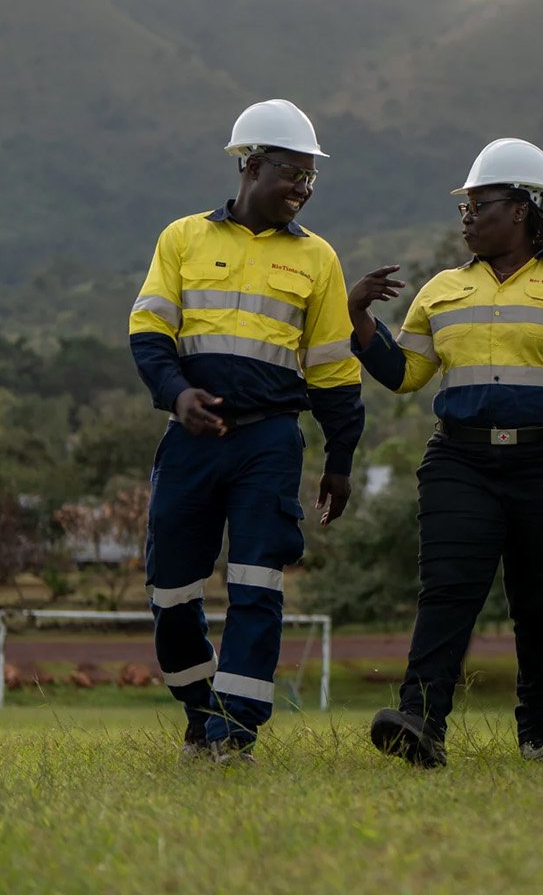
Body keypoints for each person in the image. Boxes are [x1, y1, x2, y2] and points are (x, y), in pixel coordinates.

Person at [348, 137, 543, 768]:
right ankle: (420, 721)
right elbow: (406, 374)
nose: (468, 217)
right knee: (448, 590)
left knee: (541, 602)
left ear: (525, 210)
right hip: (461, 463)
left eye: (480, 205)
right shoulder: (442, 289)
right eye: (465, 208)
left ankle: (538, 732)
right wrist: (361, 320)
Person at [129, 98, 364, 763]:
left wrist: (340, 459)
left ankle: (235, 732)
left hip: (270, 442)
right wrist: (178, 399)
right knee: (170, 586)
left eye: (311, 179)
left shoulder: (318, 259)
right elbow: (149, 335)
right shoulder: (182, 239)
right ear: (252, 165)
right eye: (292, 173)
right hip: (192, 440)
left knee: (258, 582)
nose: (302, 189)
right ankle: (200, 708)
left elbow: (334, 371)